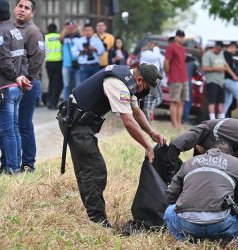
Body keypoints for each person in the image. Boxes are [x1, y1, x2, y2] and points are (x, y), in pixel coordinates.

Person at [57, 63, 166, 227]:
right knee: (94, 171)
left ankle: (95, 216)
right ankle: (98, 221)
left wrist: (151, 133)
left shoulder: (128, 79)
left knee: (88, 169)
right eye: (147, 87)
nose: (146, 92)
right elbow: (128, 121)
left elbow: (135, 111)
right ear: (140, 79)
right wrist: (147, 146)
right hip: (76, 124)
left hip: (81, 123)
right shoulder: (118, 83)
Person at [166, 118, 238, 235]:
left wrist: (170, 175)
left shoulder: (204, 128)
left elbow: (175, 144)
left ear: (199, 144)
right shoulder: (233, 132)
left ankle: (224, 233)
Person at [164, 140, 238, 243]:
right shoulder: (235, 163)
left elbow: (171, 193)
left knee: (169, 211)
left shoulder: (190, 162)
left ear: (208, 151)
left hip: (188, 224)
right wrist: (234, 211)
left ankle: (184, 242)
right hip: (220, 225)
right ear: (230, 155)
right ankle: (236, 245)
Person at [0, 0, 30, 177]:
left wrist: (16, 76)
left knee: (7, 131)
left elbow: (5, 62)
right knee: (13, 129)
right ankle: (13, 167)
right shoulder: (15, 31)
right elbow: (24, 58)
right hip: (15, 88)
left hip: (3, 88)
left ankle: (12, 170)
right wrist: (22, 77)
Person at [13, 0, 45, 172]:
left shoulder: (33, 32)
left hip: (29, 84)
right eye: (20, 6)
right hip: (12, 84)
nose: (22, 10)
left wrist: (24, 79)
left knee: (24, 125)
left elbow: (37, 60)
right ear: (14, 8)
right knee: (11, 126)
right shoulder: (9, 29)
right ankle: (10, 164)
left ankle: (27, 164)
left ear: (32, 14)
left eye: (27, 8)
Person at [203, 41, 238, 120]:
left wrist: (233, 75)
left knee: (221, 102)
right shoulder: (207, 55)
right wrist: (217, 69)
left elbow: (226, 65)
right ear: (214, 47)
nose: (218, 51)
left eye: (220, 50)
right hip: (212, 81)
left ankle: (221, 119)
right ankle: (212, 119)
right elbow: (205, 68)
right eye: (217, 50)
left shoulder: (221, 54)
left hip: (221, 82)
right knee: (212, 101)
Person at [164, 30, 189, 129]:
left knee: (182, 102)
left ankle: (179, 124)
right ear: (176, 37)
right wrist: (168, 74)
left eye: (183, 36)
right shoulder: (171, 47)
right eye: (181, 36)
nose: (182, 38)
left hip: (184, 78)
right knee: (174, 101)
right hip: (175, 78)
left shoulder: (183, 48)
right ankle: (174, 125)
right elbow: (166, 62)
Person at [140, 41, 164, 121]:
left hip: (155, 77)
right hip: (148, 76)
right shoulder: (145, 53)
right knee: (149, 97)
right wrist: (156, 49)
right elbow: (156, 57)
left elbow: (161, 62)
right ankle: (147, 113)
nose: (156, 47)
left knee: (159, 97)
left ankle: (148, 110)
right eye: (155, 45)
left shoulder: (155, 53)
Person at [223, 42, 238, 120]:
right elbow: (226, 66)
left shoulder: (226, 55)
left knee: (227, 100)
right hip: (230, 80)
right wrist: (234, 75)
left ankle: (220, 118)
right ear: (232, 47)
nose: (235, 51)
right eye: (236, 49)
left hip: (225, 80)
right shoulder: (226, 55)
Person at [60, 20, 80, 100]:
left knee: (78, 85)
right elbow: (60, 38)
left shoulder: (78, 38)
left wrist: (77, 27)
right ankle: (66, 102)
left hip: (77, 65)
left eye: (72, 28)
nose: (71, 29)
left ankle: (77, 102)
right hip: (66, 65)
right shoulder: (65, 39)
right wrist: (65, 27)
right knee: (66, 85)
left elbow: (82, 36)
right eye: (69, 28)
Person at [45, 23, 63, 110]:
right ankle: (54, 103)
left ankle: (49, 102)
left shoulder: (45, 37)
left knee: (51, 83)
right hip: (58, 62)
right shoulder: (60, 36)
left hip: (49, 62)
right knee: (58, 84)